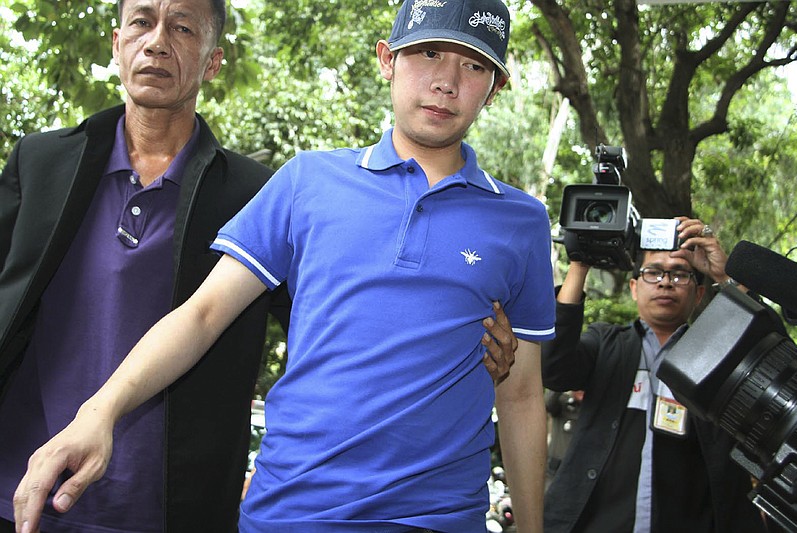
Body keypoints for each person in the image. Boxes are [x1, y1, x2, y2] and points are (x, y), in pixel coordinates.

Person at [12, 0, 557, 531]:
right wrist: (100, 413)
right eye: (429, 53)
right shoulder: (307, 181)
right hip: (289, 510)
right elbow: (201, 315)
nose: (446, 80)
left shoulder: (523, 221)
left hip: (436, 517)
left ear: (495, 89)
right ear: (387, 59)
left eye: (474, 64)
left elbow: (523, 393)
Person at [0, 1, 298, 531]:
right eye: (142, 22)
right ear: (117, 44)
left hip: (167, 510)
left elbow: (324, 329)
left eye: (182, 27)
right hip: (17, 493)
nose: (157, 41)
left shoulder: (255, 195)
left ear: (213, 62)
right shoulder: (41, 162)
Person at [542, 217, 770, 532]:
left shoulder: (720, 353)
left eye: (679, 274)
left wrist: (726, 275)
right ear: (634, 288)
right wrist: (580, 265)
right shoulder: (606, 343)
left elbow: (770, 362)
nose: (665, 282)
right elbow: (553, 368)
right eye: (653, 272)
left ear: (699, 294)